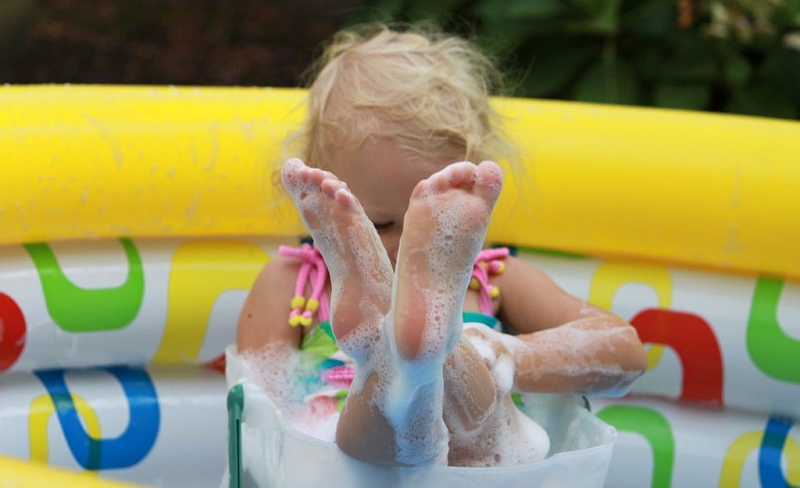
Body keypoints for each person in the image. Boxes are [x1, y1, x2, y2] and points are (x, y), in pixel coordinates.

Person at [235, 23, 647, 469]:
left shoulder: (493, 279)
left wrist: (504, 355)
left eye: (428, 233)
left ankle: (432, 353)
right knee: (373, 432)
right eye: (377, 224)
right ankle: (393, 361)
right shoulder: (293, 284)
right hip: (344, 466)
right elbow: (260, 416)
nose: (398, 249)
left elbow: (623, 353)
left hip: (474, 470)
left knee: (468, 394)